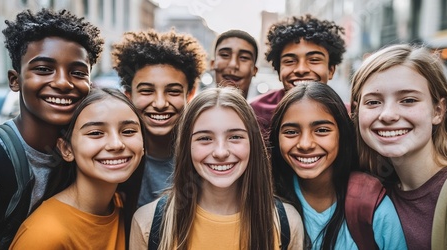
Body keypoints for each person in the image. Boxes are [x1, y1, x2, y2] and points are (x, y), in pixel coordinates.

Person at [0, 8, 103, 248]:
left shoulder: (91, 153)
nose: (62, 82)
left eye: (78, 73)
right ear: (15, 80)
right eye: (44, 69)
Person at [129, 87, 304, 249]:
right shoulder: (149, 223)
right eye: (205, 138)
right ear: (186, 147)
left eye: (235, 136)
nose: (221, 152)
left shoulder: (285, 222)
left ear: (253, 144)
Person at [350, 44, 447, 249]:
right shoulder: (373, 191)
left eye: (408, 100)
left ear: (438, 111)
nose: (388, 115)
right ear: (356, 113)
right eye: (373, 102)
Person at [269, 82, 407, 249]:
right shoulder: (265, 203)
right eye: (291, 132)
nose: (305, 144)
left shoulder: (371, 206)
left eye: (321, 130)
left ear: (342, 135)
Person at [9, 88, 146, 249]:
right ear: (66, 149)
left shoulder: (121, 205)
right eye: (95, 133)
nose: (116, 144)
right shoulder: (43, 234)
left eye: (128, 131)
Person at [112, 29, 207, 207]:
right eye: (147, 91)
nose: (160, 103)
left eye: (173, 91)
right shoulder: (113, 156)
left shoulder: (206, 155)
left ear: (190, 94)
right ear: (129, 96)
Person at [250, 14, 346, 138]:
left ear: (331, 70)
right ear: (279, 71)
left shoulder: (347, 115)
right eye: (289, 61)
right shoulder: (255, 113)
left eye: (314, 60)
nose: (301, 69)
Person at [211, 29, 259, 99]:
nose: (233, 64)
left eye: (244, 57)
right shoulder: (196, 109)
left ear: (254, 70)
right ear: (212, 64)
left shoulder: (266, 110)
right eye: (225, 55)